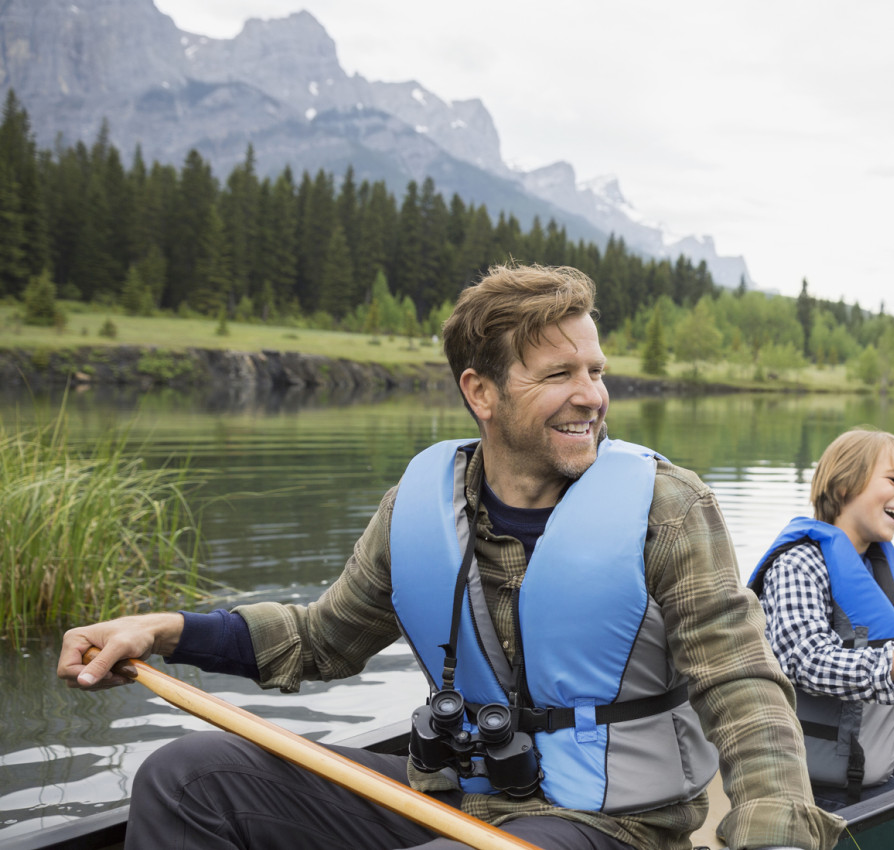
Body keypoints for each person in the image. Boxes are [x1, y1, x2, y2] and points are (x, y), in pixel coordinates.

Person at [57, 264, 844, 850]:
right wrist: (163, 631)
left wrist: (773, 836)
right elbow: (317, 639)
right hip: (456, 799)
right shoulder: (421, 503)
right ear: (482, 391)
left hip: (612, 827)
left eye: (596, 372)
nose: (592, 396)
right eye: (559, 374)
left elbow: (744, 690)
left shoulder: (668, 507)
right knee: (187, 776)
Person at [747, 428, 894, 811]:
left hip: (883, 757)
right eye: (892, 480)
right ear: (843, 486)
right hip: (812, 781)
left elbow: (884, 655)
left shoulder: (875, 565)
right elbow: (807, 662)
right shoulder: (798, 564)